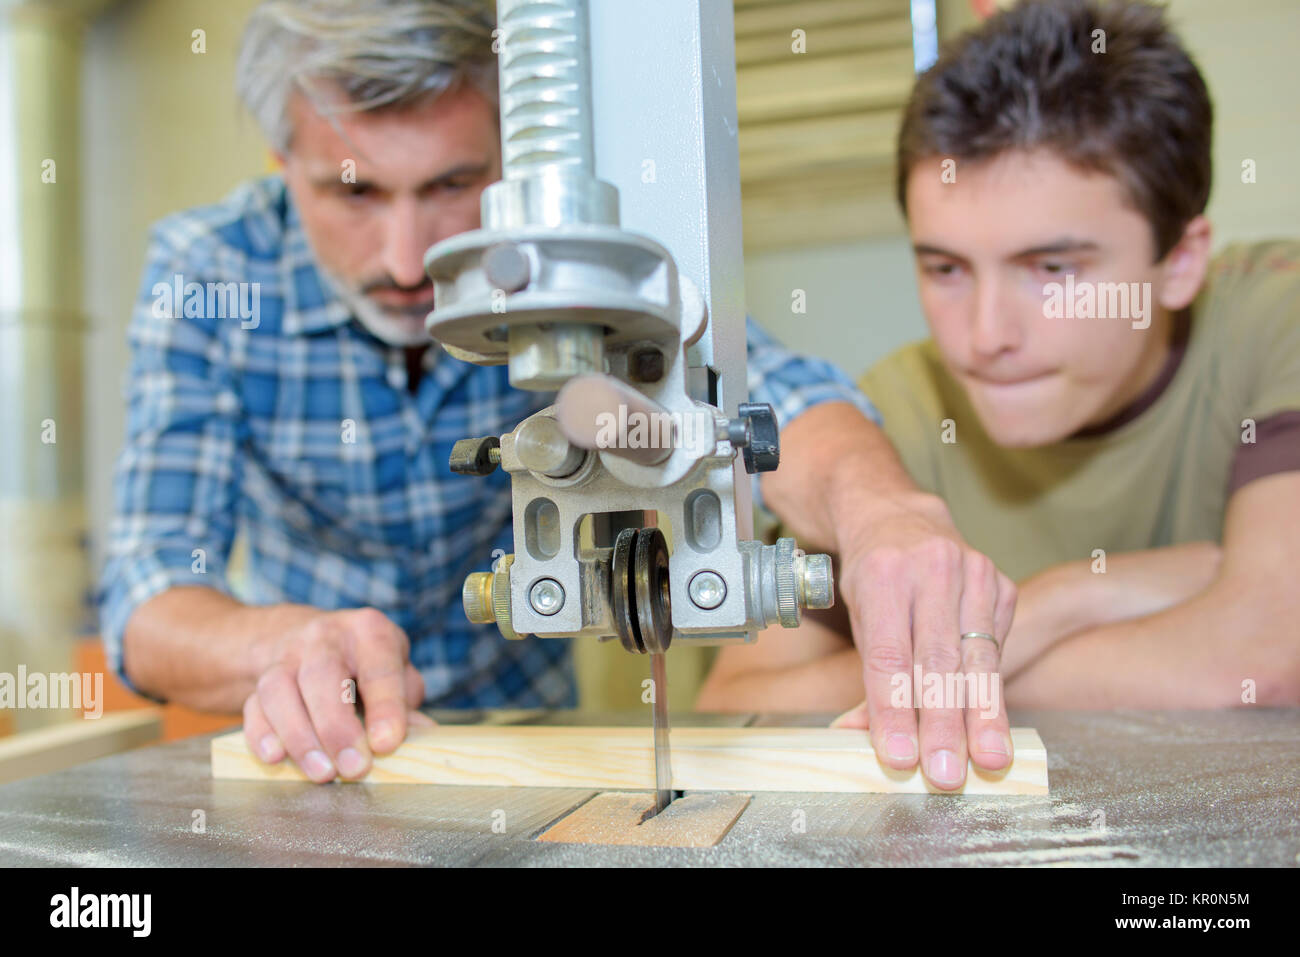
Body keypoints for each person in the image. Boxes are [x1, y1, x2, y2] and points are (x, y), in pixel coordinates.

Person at [99, 0, 1017, 790]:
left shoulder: (574, 241)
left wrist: (884, 514)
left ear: (518, 152)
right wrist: (283, 649)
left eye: (456, 184)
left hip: (532, 748)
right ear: (278, 156)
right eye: (355, 193)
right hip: (322, 749)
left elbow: (763, 389)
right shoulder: (211, 271)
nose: (406, 255)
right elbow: (150, 600)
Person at [699, 0, 1300, 714]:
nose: (984, 337)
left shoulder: (1276, 313)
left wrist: (953, 673)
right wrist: (1064, 600)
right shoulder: (894, 413)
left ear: (1179, 260)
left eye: (1052, 269)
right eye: (947, 269)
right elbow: (736, 707)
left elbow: (1264, 664)